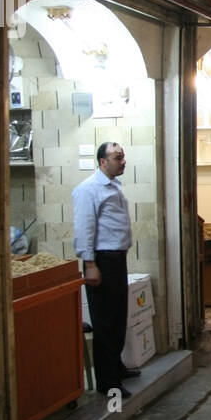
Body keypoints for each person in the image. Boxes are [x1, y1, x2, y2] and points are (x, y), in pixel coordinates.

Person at [72, 142, 140, 398]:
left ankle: (116, 367)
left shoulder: (113, 187)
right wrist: (90, 265)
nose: (123, 161)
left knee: (117, 317)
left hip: (116, 259)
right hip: (101, 261)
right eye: (117, 157)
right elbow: (84, 229)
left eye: (123, 157)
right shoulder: (88, 189)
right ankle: (107, 381)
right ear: (102, 161)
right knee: (105, 321)